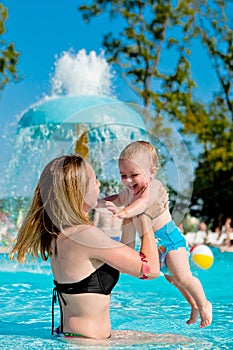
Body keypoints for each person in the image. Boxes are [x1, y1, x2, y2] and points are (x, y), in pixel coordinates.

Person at [10, 154, 161, 340]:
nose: (99, 184)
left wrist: (128, 213)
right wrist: (147, 216)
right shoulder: (85, 235)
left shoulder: (60, 233)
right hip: (89, 343)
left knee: (176, 340)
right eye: (95, 179)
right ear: (80, 191)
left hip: (73, 335)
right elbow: (150, 270)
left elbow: (124, 258)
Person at [104, 141, 212, 328]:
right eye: (124, 176)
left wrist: (124, 212)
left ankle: (204, 304)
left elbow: (142, 204)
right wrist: (96, 202)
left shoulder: (153, 187)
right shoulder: (130, 192)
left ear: (151, 172)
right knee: (174, 280)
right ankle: (193, 305)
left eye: (134, 175)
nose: (128, 181)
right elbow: (117, 198)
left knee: (183, 277)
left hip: (170, 240)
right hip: (157, 247)